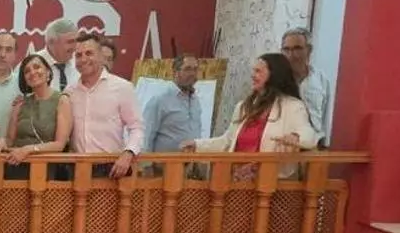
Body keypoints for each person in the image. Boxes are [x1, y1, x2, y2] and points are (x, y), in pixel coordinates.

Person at [182, 53, 315, 180]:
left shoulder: (293, 106)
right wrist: (197, 145)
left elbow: (309, 135)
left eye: (258, 71)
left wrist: (296, 137)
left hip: (271, 184)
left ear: (274, 74)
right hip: (236, 183)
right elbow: (227, 142)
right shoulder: (244, 107)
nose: (253, 75)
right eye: (254, 71)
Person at [67, 33, 143, 178]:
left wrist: (129, 153)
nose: (83, 59)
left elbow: (137, 127)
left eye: (89, 53)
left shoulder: (122, 87)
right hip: (77, 170)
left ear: (101, 56)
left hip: (112, 169)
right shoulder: (70, 92)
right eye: (78, 55)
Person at [3, 53, 73, 180]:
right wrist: (1, 142)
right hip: (16, 167)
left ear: (48, 72)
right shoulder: (20, 104)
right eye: (27, 71)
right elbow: (9, 140)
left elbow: (59, 145)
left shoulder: (62, 100)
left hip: (46, 170)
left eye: (37, 67)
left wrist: (28, 149)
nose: (32, 72)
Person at [142, 54, 202, 155]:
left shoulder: (195, 100)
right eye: (187, 69)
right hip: (164, 163)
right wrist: (146, 163)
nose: (192, 73)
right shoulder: (160, 99)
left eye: (195, 69)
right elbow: (146, 136)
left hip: (192, 161)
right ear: (175, 72)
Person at [281, 27, 331, 147]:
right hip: (285, 144)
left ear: (309, 50)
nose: (291, 55)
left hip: (314, 145)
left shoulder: (321, 80)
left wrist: (325, 145)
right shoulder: (276, 80)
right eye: (286, 49)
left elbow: (326, 115)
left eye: (297, 48)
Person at [39, 18, 78, 91]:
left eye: (77, 41)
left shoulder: (80, 63)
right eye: (70, 42)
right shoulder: (31, 64)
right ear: (51, 42)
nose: (75, 47)